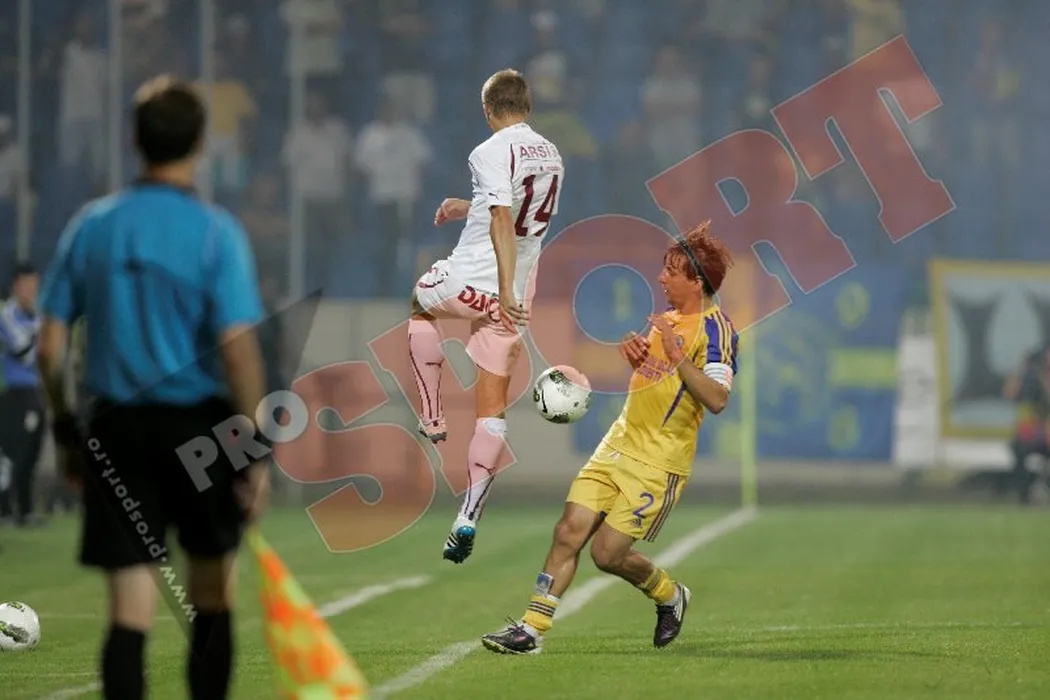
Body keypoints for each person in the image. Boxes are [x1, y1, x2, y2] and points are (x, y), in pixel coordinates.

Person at [36, 75, 270, 700]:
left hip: (117, 429)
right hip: (199, 429)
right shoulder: (216, 231)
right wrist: (251, 447)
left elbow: (51, 345)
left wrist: (65, 427)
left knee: (129, 610)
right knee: (212, 597)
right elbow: (239, 350)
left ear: (134, 140)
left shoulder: (92, 225)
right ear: (200, 143)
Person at [481, 222, 738, 654]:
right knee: (568, 531)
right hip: (617, 445)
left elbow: (717, 398)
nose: (661, 278)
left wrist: (677, 355)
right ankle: (531, 629)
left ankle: (670, 595)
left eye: (671, 271)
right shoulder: (666, 320)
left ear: (696, 281)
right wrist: (639, 356)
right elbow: (658, 378)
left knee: (607, 554)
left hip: (658, 464)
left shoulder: (718, 331)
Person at [408, 68, 564, 564]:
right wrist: (465, 206)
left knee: (420, 304)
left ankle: (431, 414)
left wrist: (499, 286)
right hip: (515, 300)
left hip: (477, 283)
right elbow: (512, 207)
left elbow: (501, 217)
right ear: (528, 108)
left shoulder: (488, 150)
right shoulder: (552, 154)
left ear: (488, 110)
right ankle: (468, 516)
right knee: (491, 411)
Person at [0, 262, 44, 527]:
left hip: (36, 390)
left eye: (34, 285)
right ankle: (4, 509)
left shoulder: (37, 315)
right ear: (15, 286)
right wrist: (43, 333)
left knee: (31, 452)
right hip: (14, 392)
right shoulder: (7, 315)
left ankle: (26, 510)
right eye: (26, 285)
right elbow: (23, 352)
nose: (30, 290)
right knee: (11, 452)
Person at [1008, 344, 1050, 504]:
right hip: (1037, 433)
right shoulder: (1032, 380)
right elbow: (1010, 393)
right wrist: (1021, 368)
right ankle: (1024, 494)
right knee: (1017, 447)